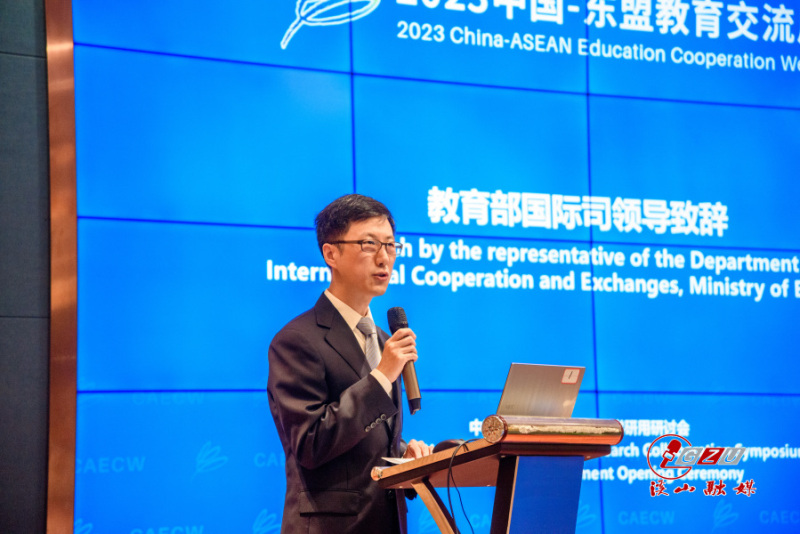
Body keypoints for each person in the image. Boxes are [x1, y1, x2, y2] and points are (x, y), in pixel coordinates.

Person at [267, 194, 433, 534]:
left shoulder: (384, 340)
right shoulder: (296, 340)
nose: (384, 258)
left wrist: (403, 456)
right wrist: (382, 376)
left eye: (391, 245)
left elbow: (364, 439)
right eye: (369, 244)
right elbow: (311, 443)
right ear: (331, 254)